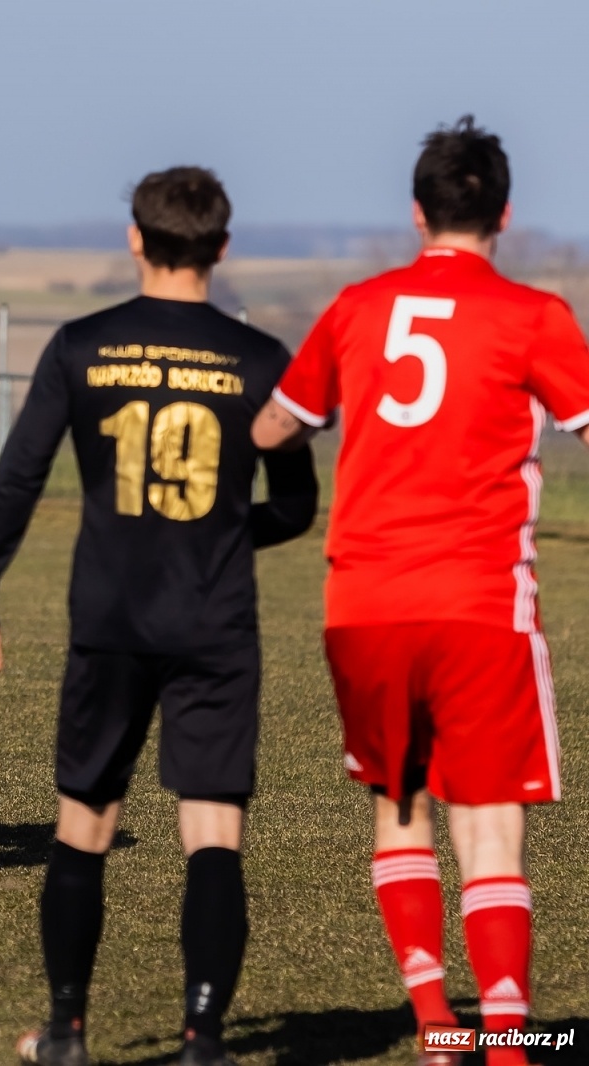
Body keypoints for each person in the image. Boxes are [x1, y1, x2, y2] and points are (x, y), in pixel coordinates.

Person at [0, 168, 318, 1066]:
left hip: (109, 618)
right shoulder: (261, 357)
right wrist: (221, 534)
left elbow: (19, 480)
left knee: (86, 824)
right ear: (221, 246)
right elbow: (296, 505)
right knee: (213, 832)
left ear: (134, 238)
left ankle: (67, 1033)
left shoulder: (82, 345)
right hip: (214, 623)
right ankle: (203, 1041)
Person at [252, 117, 589, 1066]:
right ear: (506, 215)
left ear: (416, 212)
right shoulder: (535, 316)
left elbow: (277, 426)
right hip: (480, 603)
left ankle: (440, 1029)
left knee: (399, 809)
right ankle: (510, 1046)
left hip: (364, 603)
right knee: (491, 829)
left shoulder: (358, 307)